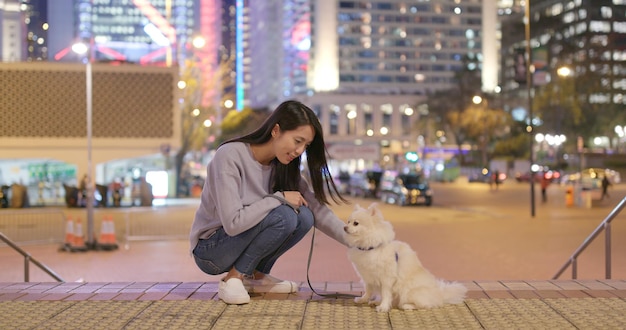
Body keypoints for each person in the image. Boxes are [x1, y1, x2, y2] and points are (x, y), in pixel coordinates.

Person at [189, 100, 349, 305]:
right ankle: (234, 278)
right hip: (211, 249)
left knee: (305, 216)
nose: (300, 151)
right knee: (284, 216)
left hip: (235, 242)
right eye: (297, 141)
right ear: (276, 130)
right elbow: (233, 223)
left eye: (305, 146)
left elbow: (317, 209)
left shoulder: (282, 167)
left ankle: (257, 276)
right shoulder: (230, 156)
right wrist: (278, 198)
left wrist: (357, 241)